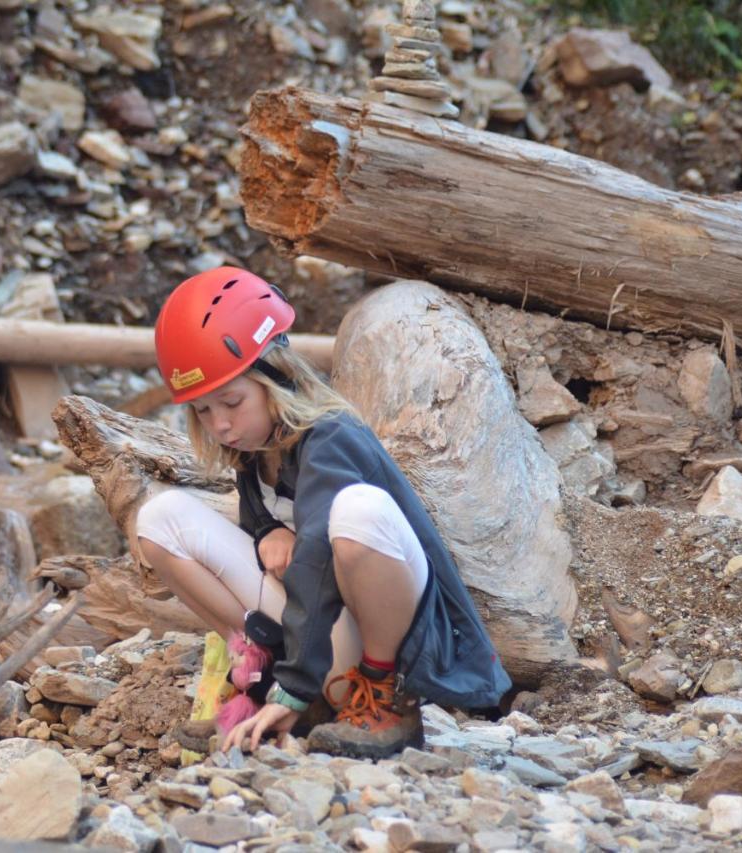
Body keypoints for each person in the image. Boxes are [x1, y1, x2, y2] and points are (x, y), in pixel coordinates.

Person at [136, 266, 510, 759]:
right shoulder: (255, 447)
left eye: (231, 402)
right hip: (316, 643)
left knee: (357, 510)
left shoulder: (331, 435)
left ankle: (383, 700)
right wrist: (269, 527)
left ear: (278, 377)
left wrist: (297, 684)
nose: (221, 425)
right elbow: (273, 524)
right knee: (158, 519)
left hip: (386, 644)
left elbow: (314, 557)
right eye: (203, 412)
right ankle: (263, 668)